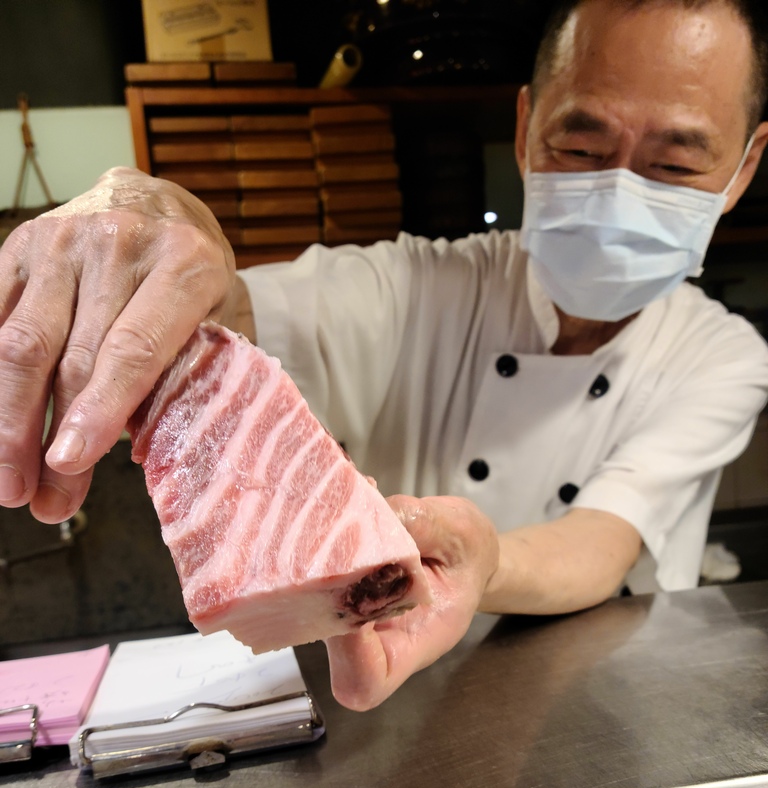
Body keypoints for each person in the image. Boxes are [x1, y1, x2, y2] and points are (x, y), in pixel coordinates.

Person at [1, 0, 768, 710]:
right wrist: (162, 223)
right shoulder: (417, 285)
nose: (619, 194)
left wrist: (484, 561)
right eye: (580, 143)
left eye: (674, 166)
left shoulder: (722, 354)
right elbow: (226, 310)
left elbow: (602, 544)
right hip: (386, 712)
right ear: (527, 130)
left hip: (609, 705)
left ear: (744, 168)